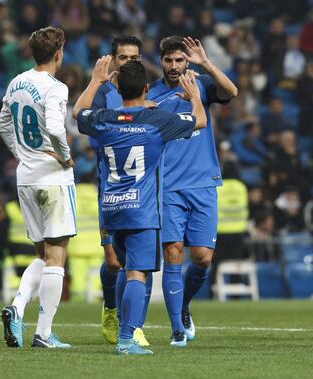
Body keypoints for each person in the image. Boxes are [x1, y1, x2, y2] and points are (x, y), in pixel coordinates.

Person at [73, 57, 207, 354]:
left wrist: (96, 80)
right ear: (147, 88)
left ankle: (123, 329)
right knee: (136, 273)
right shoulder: (156, 121)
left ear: (118, 87)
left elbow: (78, 111)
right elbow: (200, 120)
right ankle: (125, 339)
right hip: (141, 211)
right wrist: (195, 96)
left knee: (122, 268)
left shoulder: (104, 118)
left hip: (110, 208)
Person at [147, 35, 238, 346]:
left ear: (187, 61)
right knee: (173, 254)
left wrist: (207, 63)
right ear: (160, 61)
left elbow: (231, 91)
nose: (174, 66)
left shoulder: (200, 85)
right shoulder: (151, 95)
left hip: (202, 183)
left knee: (201, 259)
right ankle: (176, 330)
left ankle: (183, 306)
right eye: (169, 60)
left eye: (180, 60)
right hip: (169, 186)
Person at [0, 26, 75, 349]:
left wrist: (21, 153)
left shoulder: (16, 82)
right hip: (53, 178)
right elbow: (57, 127)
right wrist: (66, 157)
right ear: (59, 53)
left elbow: (2, 125)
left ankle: (17, 307)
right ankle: (43, 333)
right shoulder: (56, 87)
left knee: (42, 254)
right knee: (57, 257)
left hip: (25, 177)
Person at [90, 35, 151, 347]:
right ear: (113, 60)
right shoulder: (103, 94)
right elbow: (93, 135)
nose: (129, 62)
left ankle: (135, 325)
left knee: (139, 261)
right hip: (111, 189)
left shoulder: (142, 93)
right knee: (114, 263)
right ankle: (110, 307)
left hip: (142, 190)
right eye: (124, 57)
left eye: (134, 57)